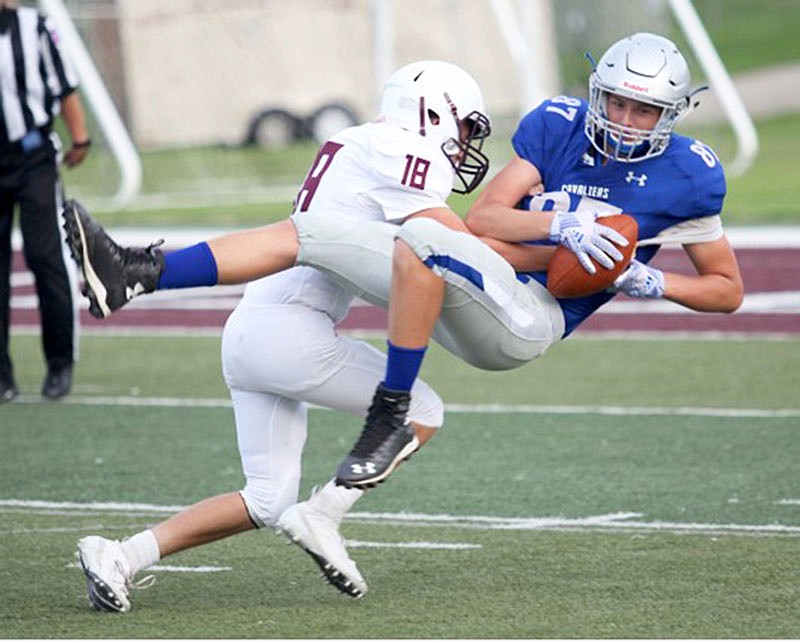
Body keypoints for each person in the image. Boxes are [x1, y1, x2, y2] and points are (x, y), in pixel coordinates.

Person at [72, 59, 491, 612]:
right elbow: (458, 247)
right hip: (290, 332)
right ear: (434, 112)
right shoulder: (400, 149)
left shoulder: (359, 146)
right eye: (463, 130)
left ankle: (119, 555)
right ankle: (326, 513)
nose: (463, 146)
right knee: (423, 408)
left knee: (267, 501)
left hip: (252, 331)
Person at [332, 31, 744, 486]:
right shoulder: (561, 125)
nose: (625, 120)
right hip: (488, 278)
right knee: (374, 235)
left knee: (424, 240)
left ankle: (391, 409)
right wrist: (558, 230)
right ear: (596, 93)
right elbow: (483, 220)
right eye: (615, 102)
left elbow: (726, 290)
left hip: (532, 315)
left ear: (670, 114)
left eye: (644, 110)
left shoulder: (688, 175)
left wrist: (649, 280)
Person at [0, 0, 90, 402]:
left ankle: (59, 361)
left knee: (45, 255)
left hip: (32, 157)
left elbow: (64, 86)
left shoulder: (33, 26)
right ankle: (2, 376)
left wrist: (80, 137)